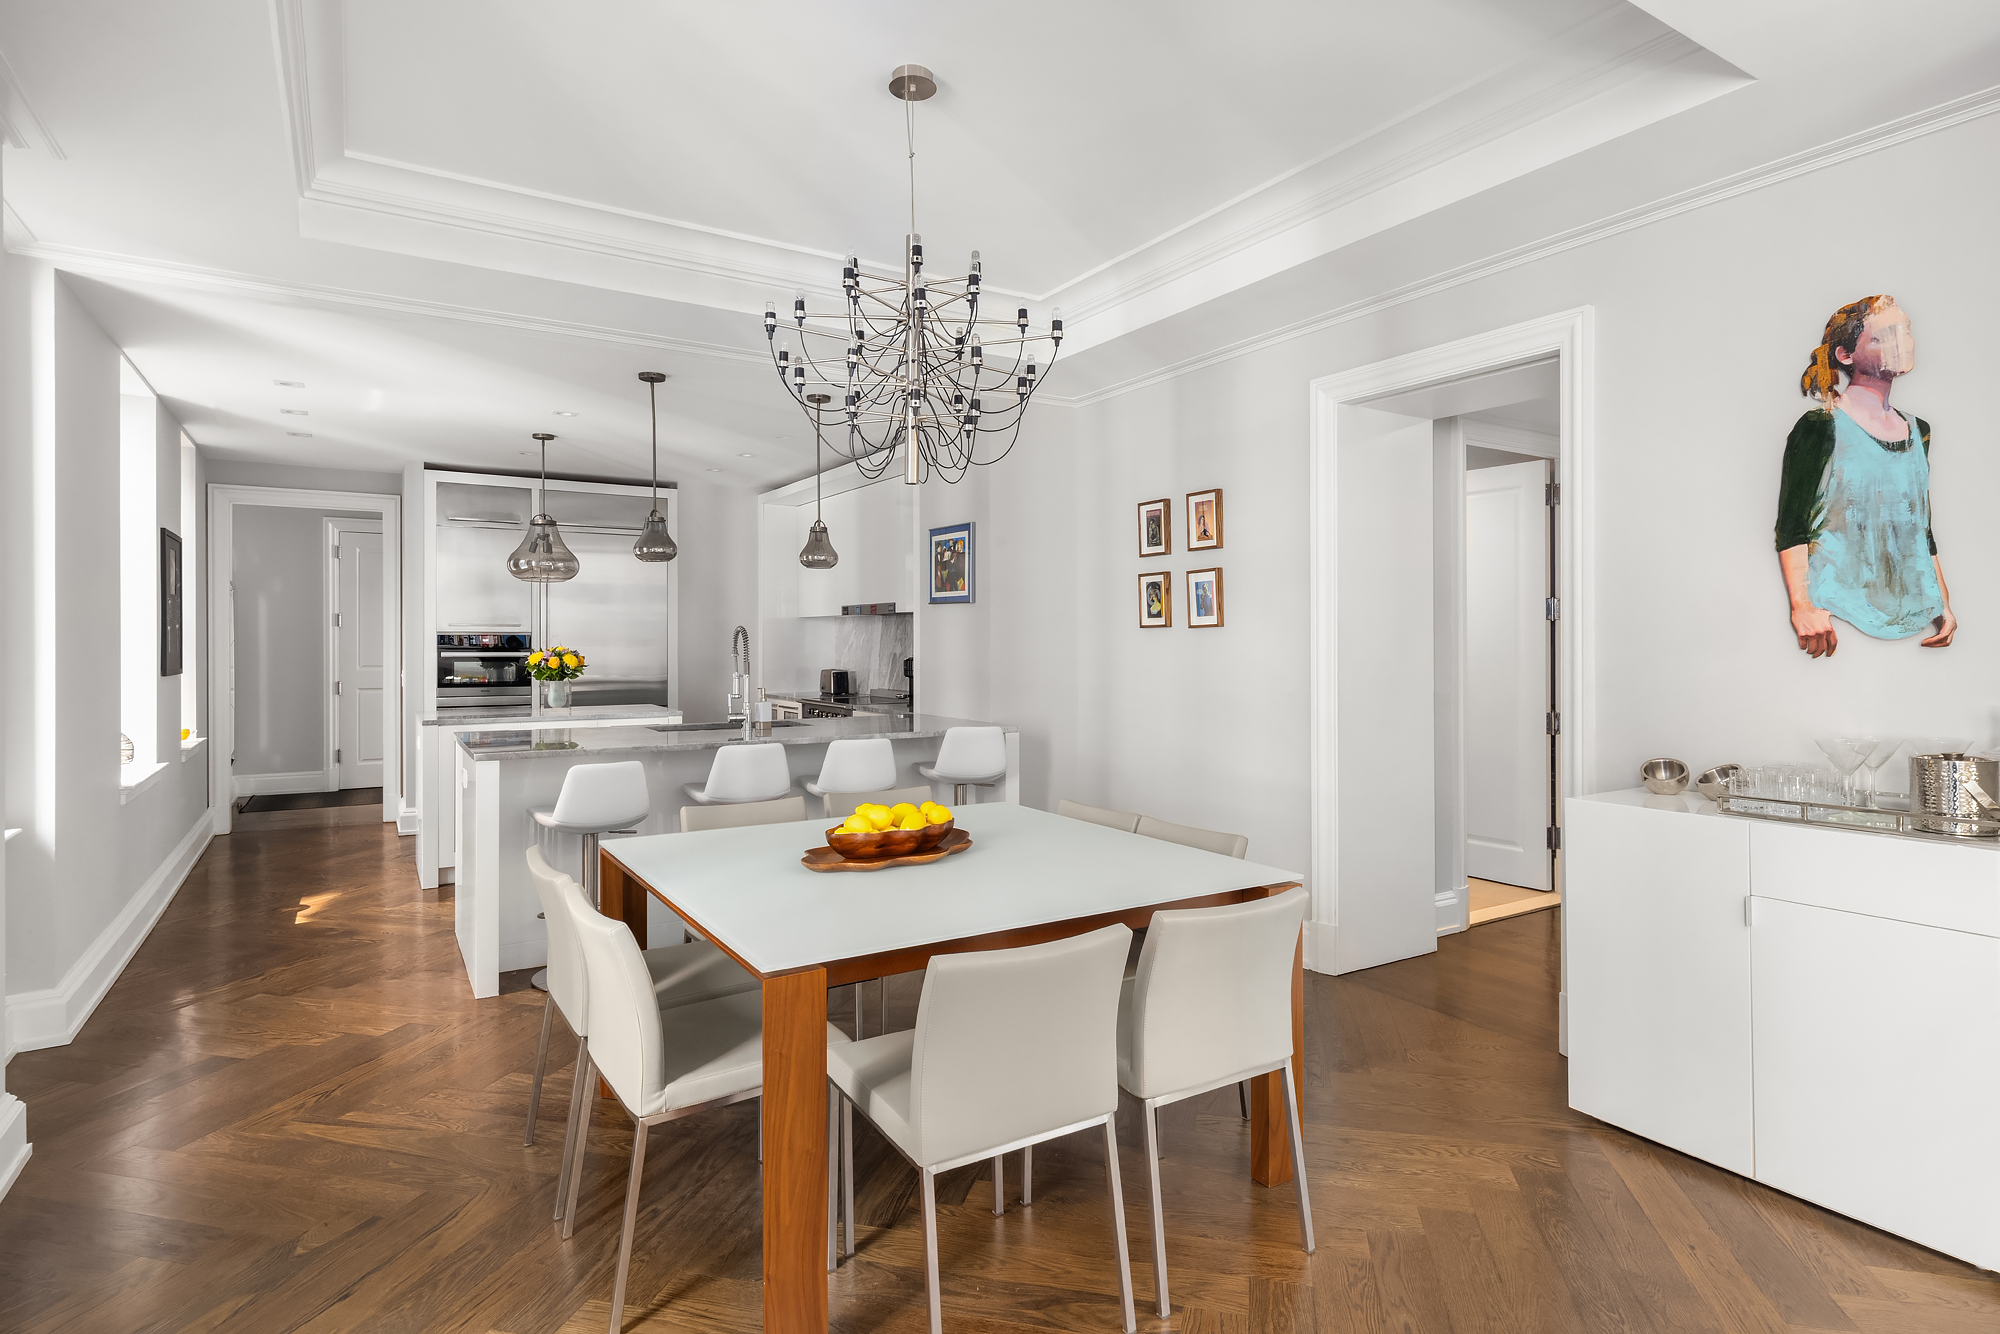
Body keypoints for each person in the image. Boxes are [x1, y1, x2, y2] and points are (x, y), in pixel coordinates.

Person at [1775, 295, 1956, 658]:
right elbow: (1792, 526)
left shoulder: (1919, 430)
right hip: (1840, 616)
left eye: (1904, 331)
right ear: (1845, 355)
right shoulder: (1820, 426)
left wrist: (1943, 604)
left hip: (1915, 621)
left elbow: (1920, 527)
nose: (1900, 342)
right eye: (1882, 336)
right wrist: (1802, 607)